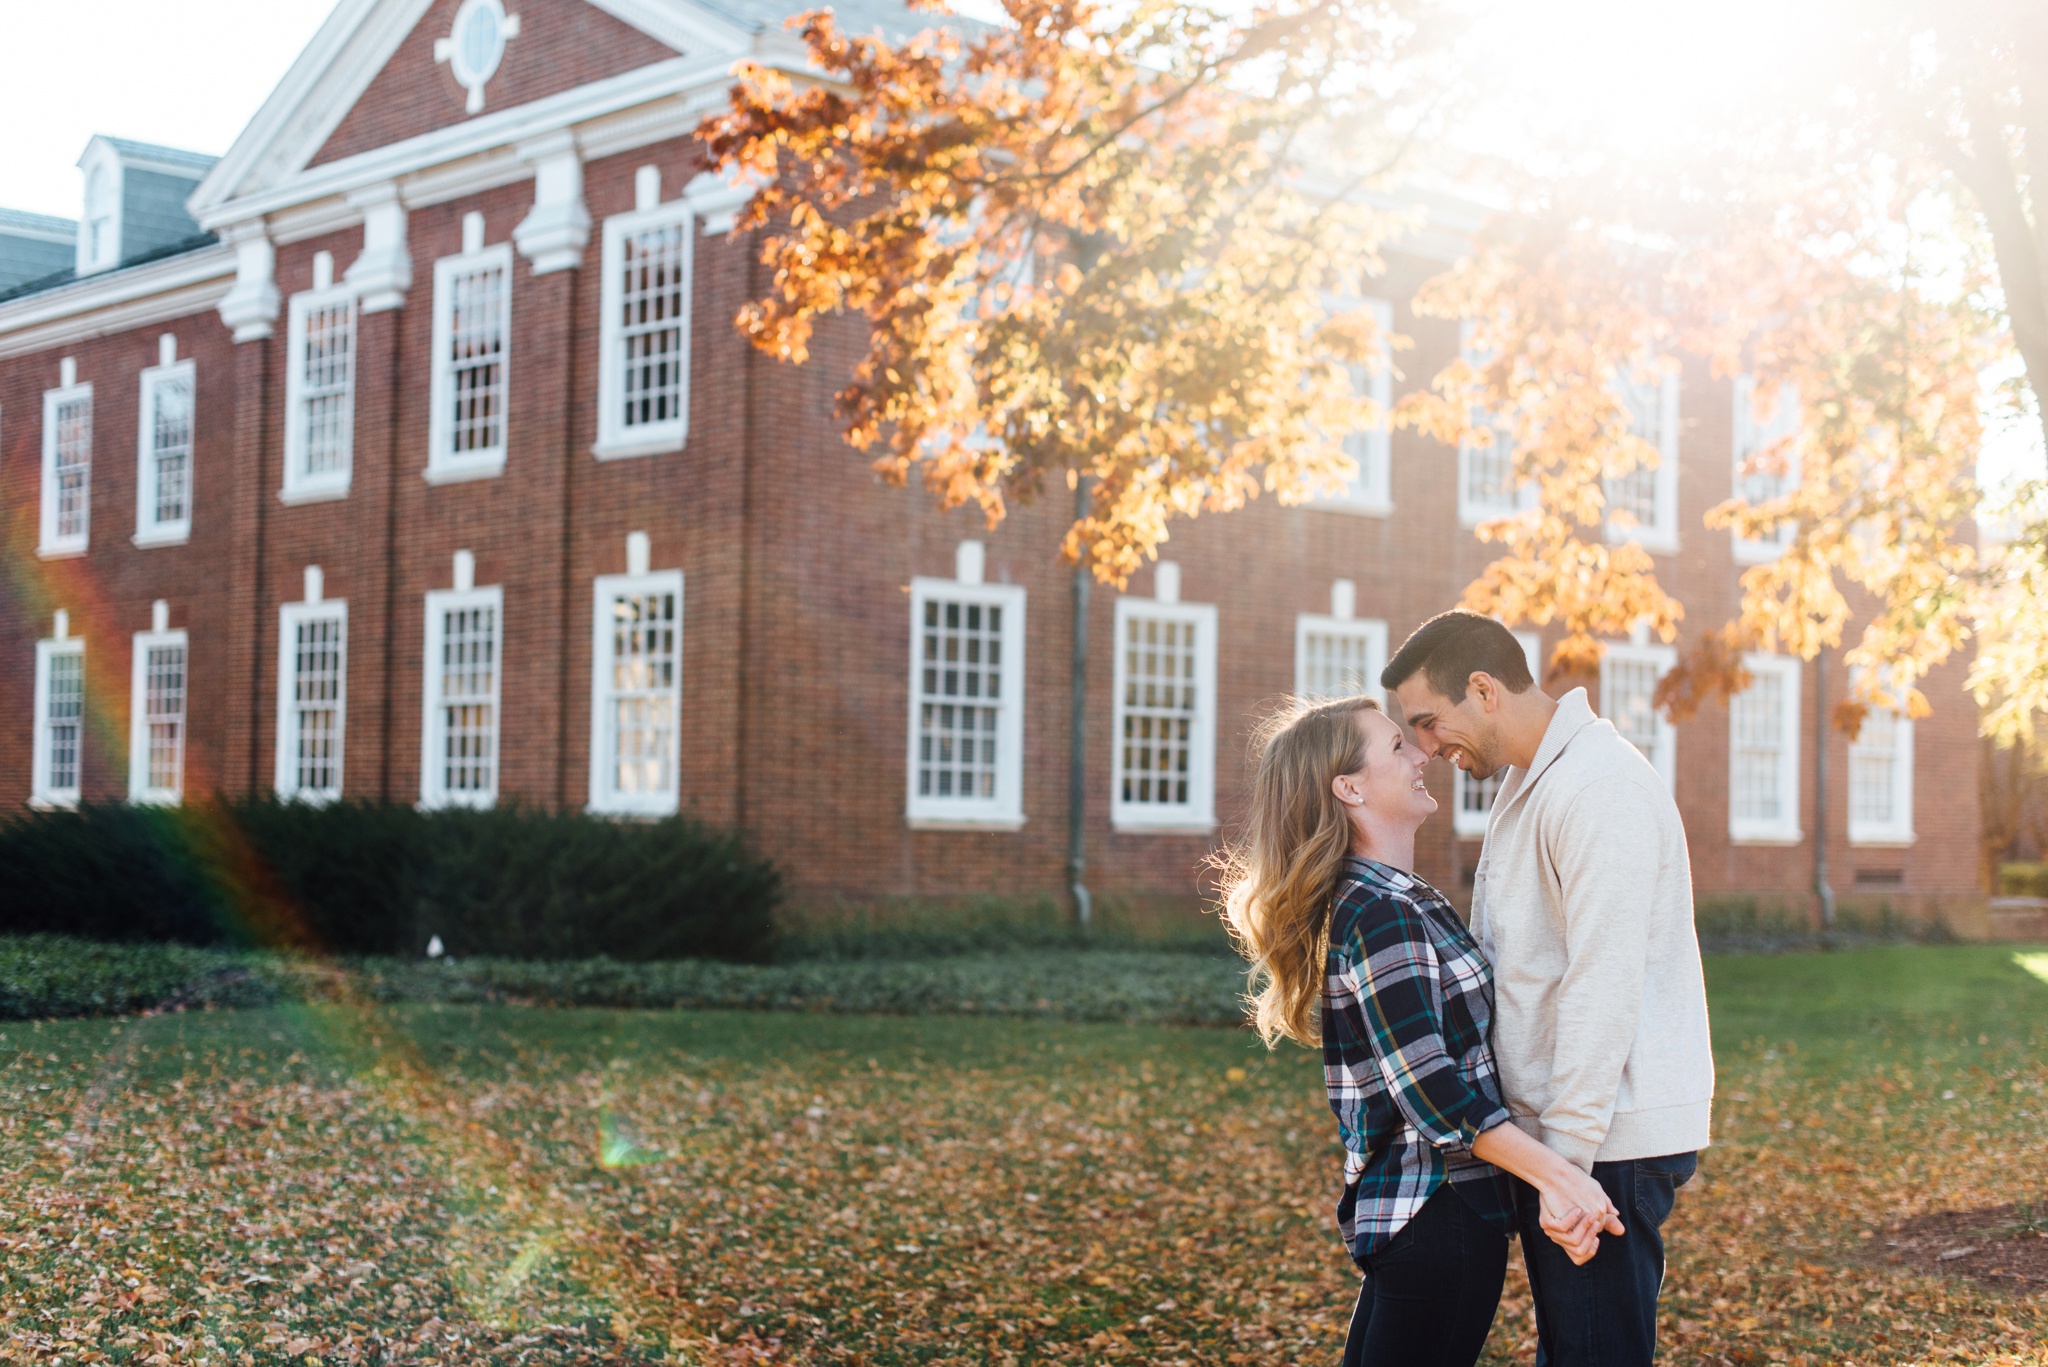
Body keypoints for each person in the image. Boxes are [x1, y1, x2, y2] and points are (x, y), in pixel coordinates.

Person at [1219, 694, 1625, 1367]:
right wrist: (1563, 1178)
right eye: (1395, 746)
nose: (1421, 753)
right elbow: (1431, 1090)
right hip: (1437, 1218)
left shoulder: (1398, 898)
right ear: (1348, 787)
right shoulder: (1381, 911)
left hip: (1431, 1220)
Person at [1382, 610, 1715, 1367]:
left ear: (1483, 688)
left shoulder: (1600, 786)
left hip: (1604, 1139)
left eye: (1430, 721)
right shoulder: (1532, 783)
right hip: (1566, 1140)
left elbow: (1602, 985)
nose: (1427, 747)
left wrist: (1564, 1165)